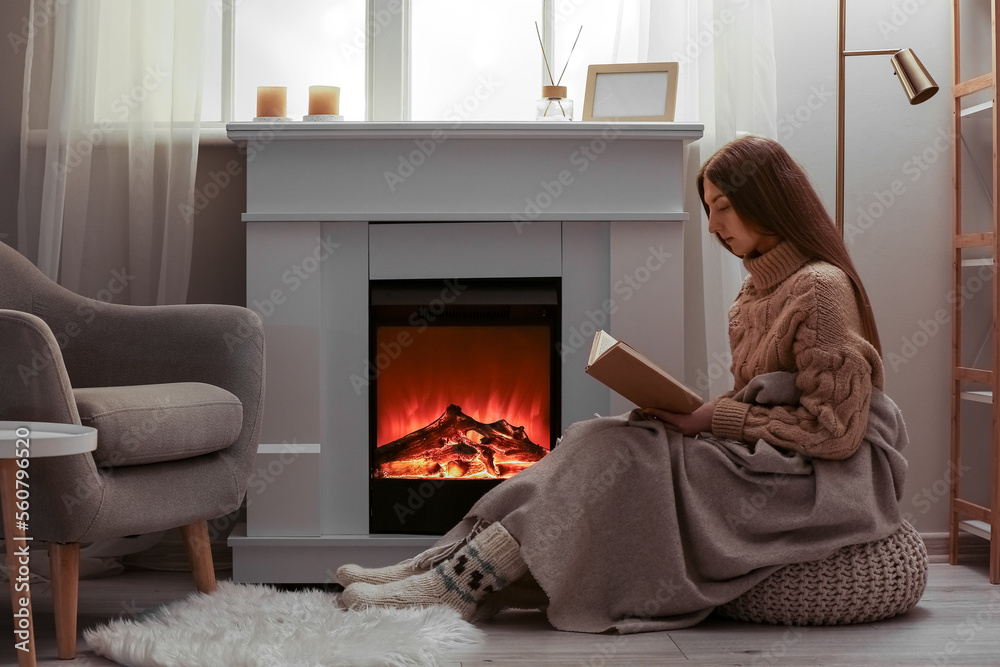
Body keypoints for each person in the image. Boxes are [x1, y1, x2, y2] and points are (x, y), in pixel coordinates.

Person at [339, 135, 908, 633]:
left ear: (767, 201)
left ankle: (459, 581)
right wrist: (696, 412)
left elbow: (833, 432)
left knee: (621, 453)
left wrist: (711, 419)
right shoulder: (752, 294)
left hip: (817, 481)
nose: (712, 226)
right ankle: (444, 564)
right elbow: (759, 402)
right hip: (766, 458)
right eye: (708, 208)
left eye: (724, 208)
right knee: (598, 435)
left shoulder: (821, 288)